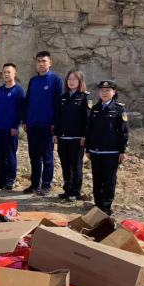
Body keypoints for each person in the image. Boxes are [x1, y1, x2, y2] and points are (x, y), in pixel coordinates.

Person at [22, 51, 64, 196]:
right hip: (32, 124)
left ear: (50, 63)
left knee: (47, 157)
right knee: (34, 157)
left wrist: (55, 123)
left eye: (44, 61)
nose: (41, 64)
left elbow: (59, 104)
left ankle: (46, 185)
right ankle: (35, 184)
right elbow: (28, 101)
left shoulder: (56, 80)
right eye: (39, 61)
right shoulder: (33, 81)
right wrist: (25, 120)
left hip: (47, 125)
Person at [85, 80, 129, 215]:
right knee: (97, 179)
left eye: (107, 90)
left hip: (111, 152)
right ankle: (98, 205)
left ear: (114, 92)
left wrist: (122, 150)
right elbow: (89, 130)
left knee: (109, 180)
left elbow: (123, 131)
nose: (104, 93)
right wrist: (88, 148)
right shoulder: (95, 108)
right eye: (102, 90)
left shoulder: (119, 109)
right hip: (95, 151)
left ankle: (106, 207)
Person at [54, 70, 90, 201]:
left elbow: (87, 120)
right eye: (69, 79)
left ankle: (75, 191)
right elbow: (57, 117)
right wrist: (55, 133)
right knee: (65, 165)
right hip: (63, 137)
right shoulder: (62, 97)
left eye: (74, 79)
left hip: (76, 138)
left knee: (76, 165)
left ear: (80, 81)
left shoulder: (84, 97)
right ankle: (67, 190)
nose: (71, 81)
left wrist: (84, 136)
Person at [0, 63, 24, 190]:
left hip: (11, 129)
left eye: (9, 72)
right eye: (4, 72)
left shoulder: (19, 91)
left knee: (10, 156)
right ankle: (1, 180)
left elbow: (20, 110)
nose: (6, 74)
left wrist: (15, 126)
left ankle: (10, 180)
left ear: (14, 73)